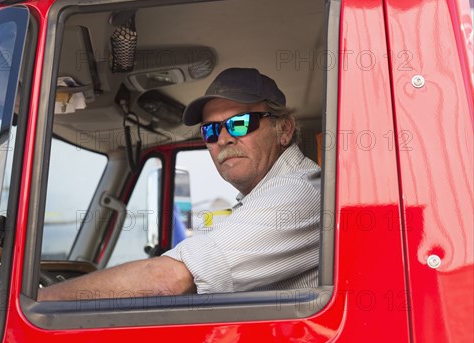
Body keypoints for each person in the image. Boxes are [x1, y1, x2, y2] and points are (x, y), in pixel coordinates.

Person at [39, 67, 321, 301]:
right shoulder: (265, 196)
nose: (223, 139)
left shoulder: (298, 192)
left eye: (240, 123)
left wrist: (40, 302)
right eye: (211, 130)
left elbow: (171, 279)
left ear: (283, 129)